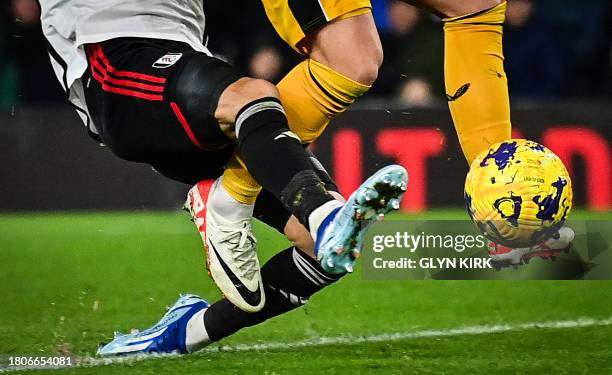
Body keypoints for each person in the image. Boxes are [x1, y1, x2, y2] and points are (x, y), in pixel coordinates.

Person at [37, 0, 408, 355]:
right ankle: (319, 213)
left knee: (323, 252)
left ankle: (188, 332)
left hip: (189, 56)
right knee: (252, 96)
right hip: (113, 57)